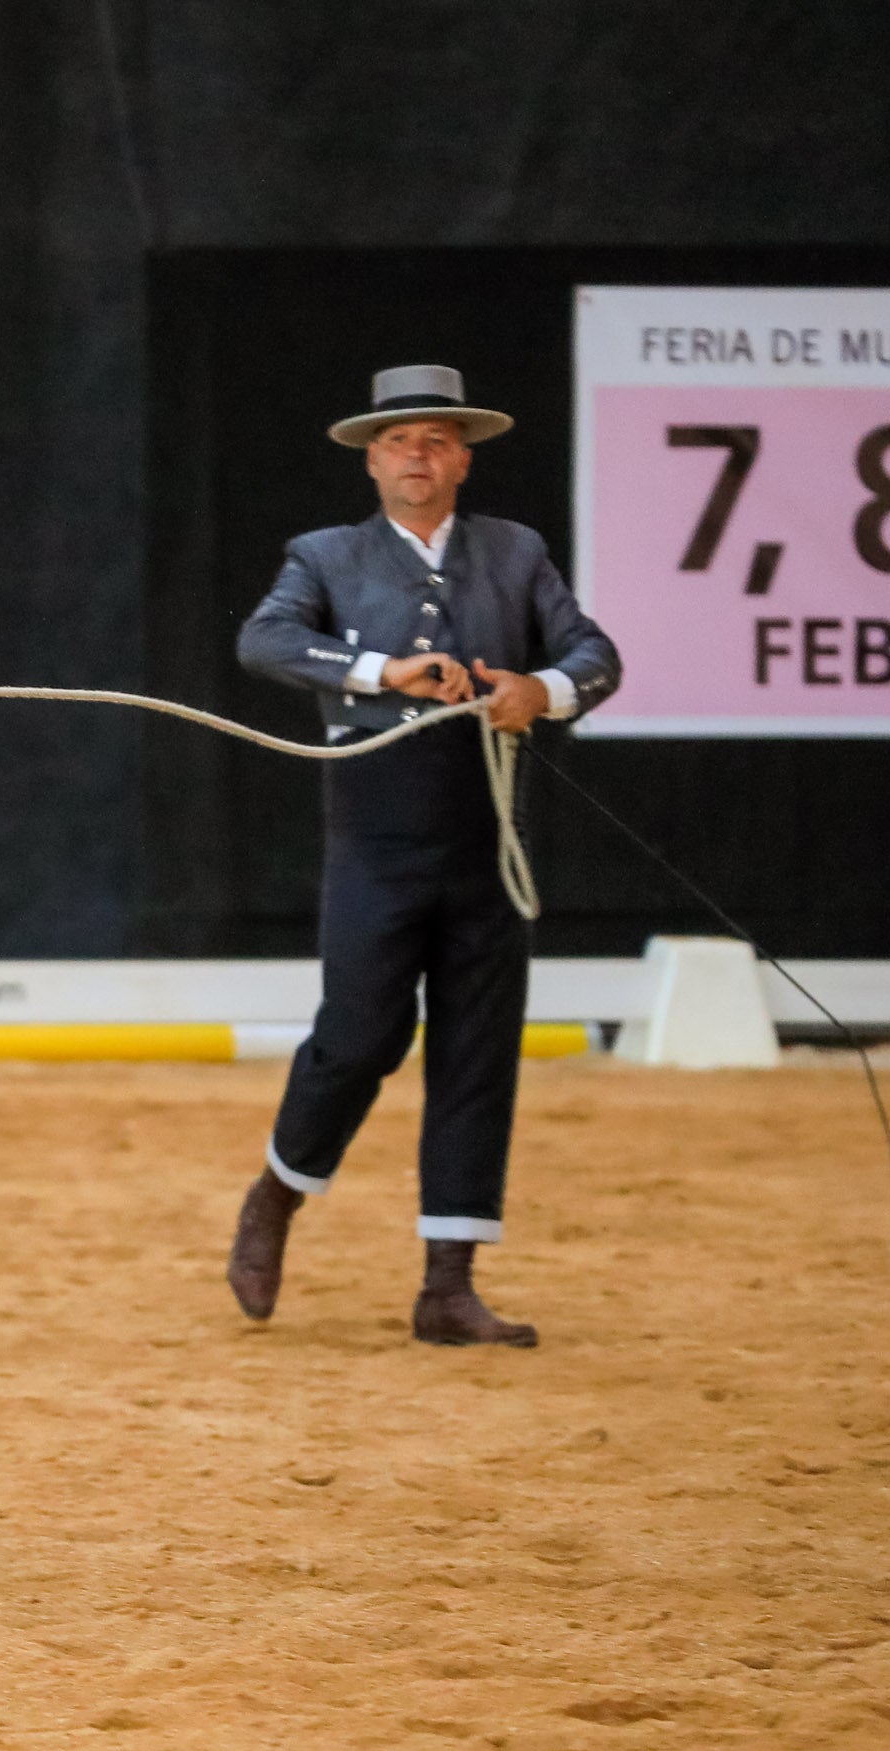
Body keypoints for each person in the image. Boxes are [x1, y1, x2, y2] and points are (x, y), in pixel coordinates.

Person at [225, 364, 620, 1347]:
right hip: (376, 842)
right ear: (371, 458)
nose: (419, 456)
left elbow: (593, 652)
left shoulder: (516, 552)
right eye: (401, 441)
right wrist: (381, 669)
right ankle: (277, 1193)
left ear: (464, 458)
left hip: (490, 842)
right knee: (359, 1035)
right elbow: (264, 640)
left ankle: (449, 1282)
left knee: (480, 1050)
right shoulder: (323, 555)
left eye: (438, 439)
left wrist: (543, 691)